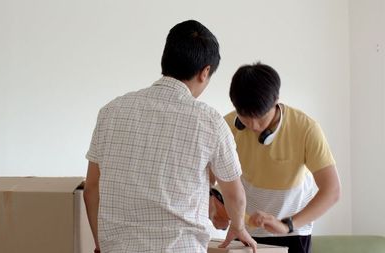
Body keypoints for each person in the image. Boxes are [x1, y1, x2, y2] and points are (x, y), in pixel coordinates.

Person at [83, 20, 257, 253]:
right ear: (205, 72)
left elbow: (92, 188)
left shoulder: (111, 111)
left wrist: (100, 244)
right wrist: (238, 226)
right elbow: (234, 194)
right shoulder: (209, 121)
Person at [217, 62, 341, 253]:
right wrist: (218, 208)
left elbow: (332, 191)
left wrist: (288, 225)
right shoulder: (226, 127)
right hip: (244, 232)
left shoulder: (306, 128)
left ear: (276, 101)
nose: (254, 125)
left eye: (260, 117)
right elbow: (208, 181)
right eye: (245, 117)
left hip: (293, 233)